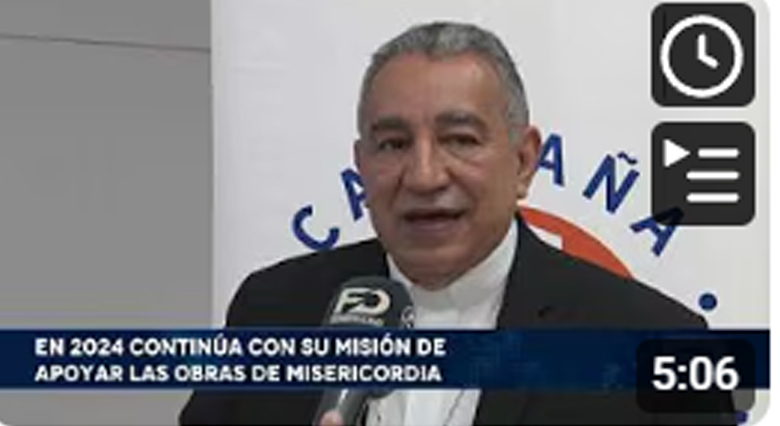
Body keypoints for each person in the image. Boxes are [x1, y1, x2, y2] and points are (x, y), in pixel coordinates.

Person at [180, 21, 734, 425]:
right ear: (361, 164)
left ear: (523, 161)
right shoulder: (273, 310)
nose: (424, 175)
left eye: (460, 140)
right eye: (393, 144)